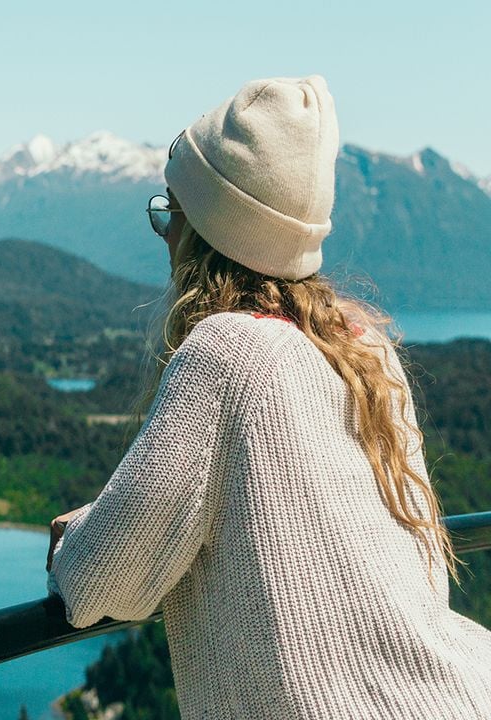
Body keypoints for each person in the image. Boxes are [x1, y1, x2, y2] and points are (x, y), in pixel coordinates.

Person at [45, 75, 491, 718]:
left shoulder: (224, 355)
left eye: (170, 213)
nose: (164, 235)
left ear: (206, 233)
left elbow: (100, 583)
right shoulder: (368, 352)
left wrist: (75, 538)